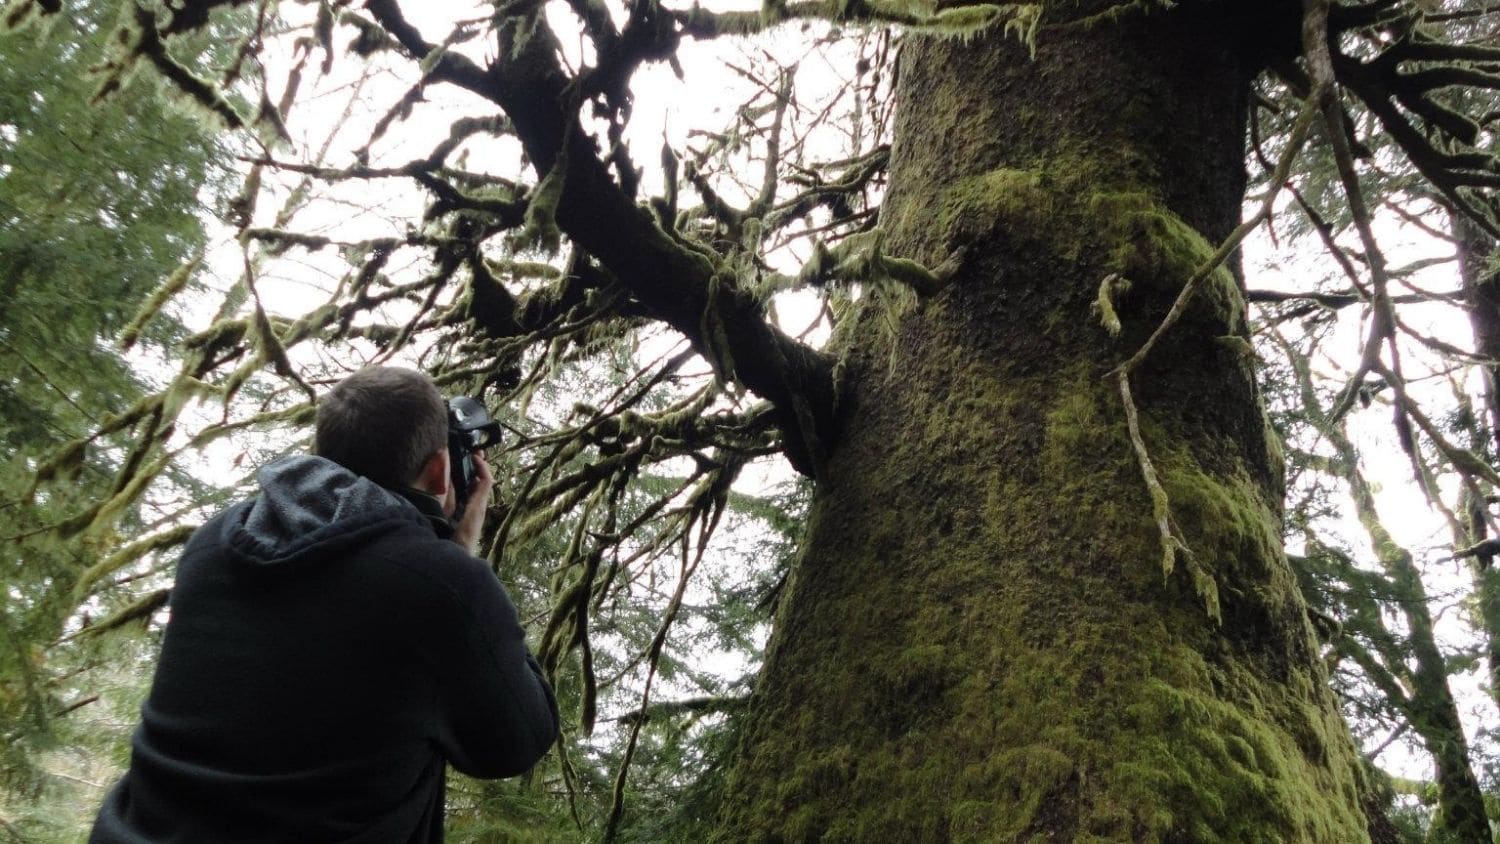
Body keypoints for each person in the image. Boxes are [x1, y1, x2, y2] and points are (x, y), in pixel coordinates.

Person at [90, 366, 559, 843]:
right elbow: (517, 741)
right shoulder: (440, 585)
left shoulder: (215, 542)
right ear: (439, 469)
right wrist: (457, 558)